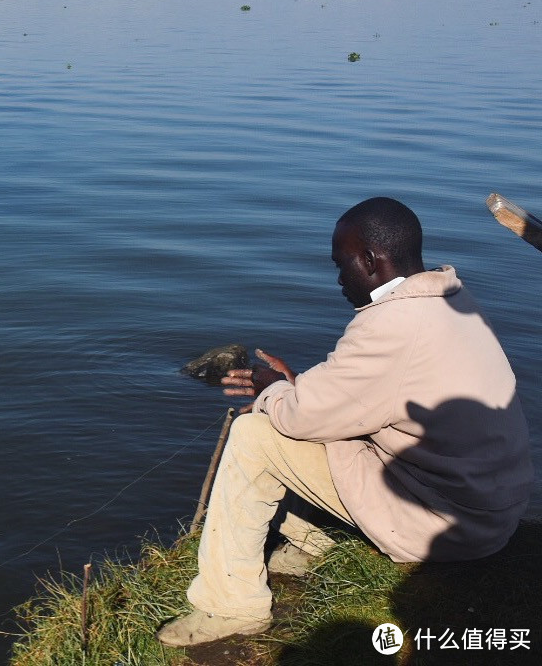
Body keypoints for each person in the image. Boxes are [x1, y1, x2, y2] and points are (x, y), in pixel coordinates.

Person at [158, 197, 534, 648]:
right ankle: (313, 542)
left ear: (371, 261)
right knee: (329, 424)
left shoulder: (393, 324)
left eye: (342, 266)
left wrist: (272, 390)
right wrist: (293, 385)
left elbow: (299, 418)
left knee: (254, 436)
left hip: (448, 526)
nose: (338, 280)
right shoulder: (448, 299)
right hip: (489, 508)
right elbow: (367, 391)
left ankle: (232, 606)